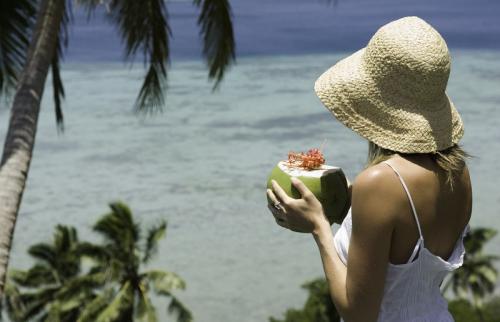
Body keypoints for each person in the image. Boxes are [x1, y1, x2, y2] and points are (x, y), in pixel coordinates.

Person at [266, 16, 472, 322]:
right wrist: (347, 199)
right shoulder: (458, 171)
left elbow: (359, 313)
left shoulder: (379, 183)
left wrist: (319, 227)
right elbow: (409, 247)